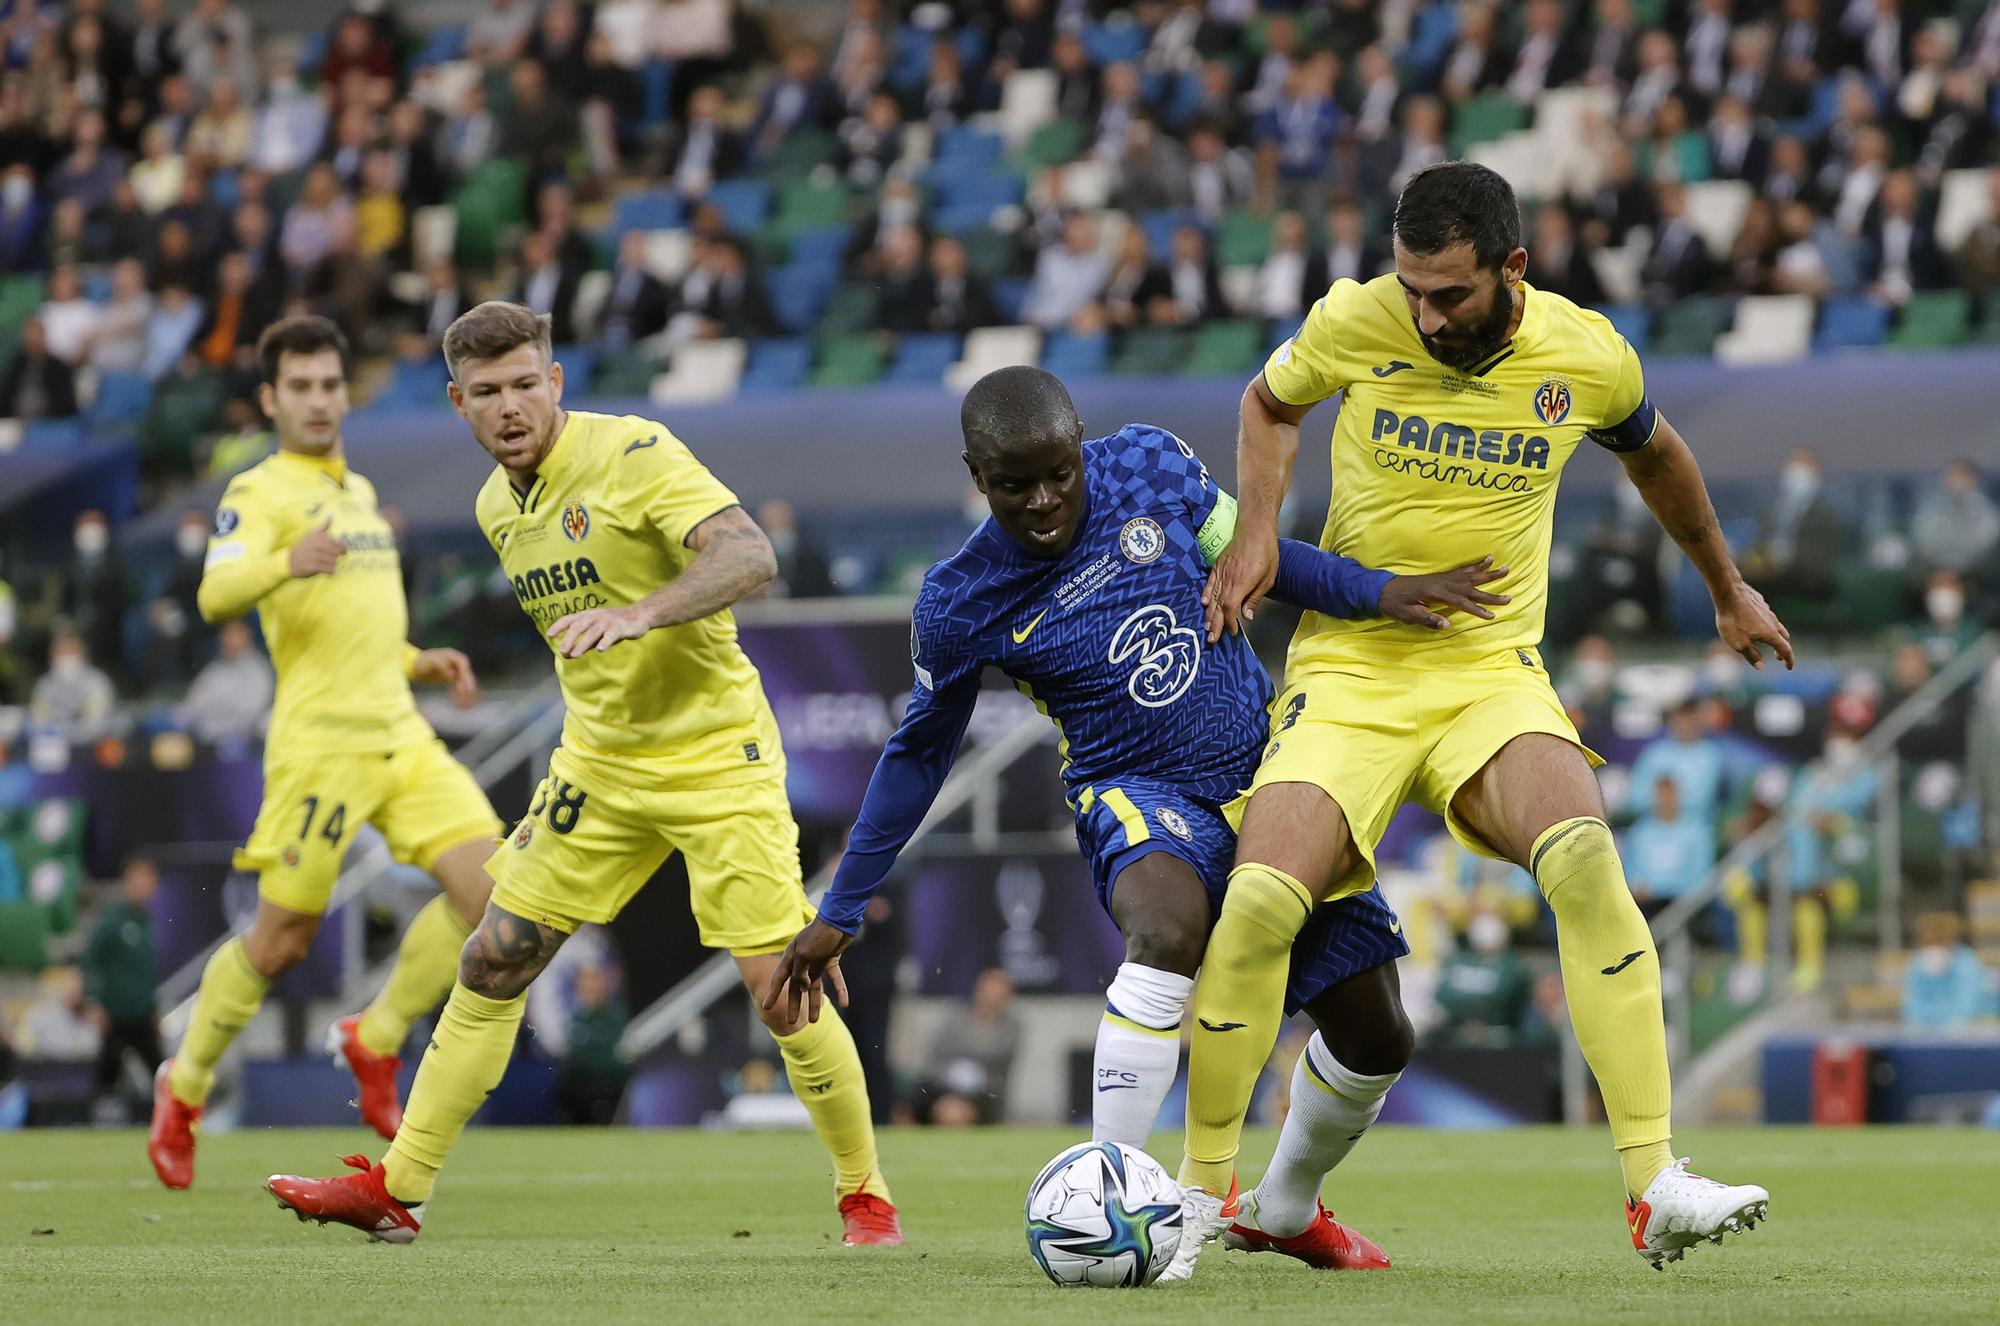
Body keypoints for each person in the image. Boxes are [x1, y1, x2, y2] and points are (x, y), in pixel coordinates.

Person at [765, 365, 1512, 1269]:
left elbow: (1256, 559)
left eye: (1058, 474)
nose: (1043, 501)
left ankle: (1283, 1206)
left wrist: (1377, 590)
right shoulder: (961, 600)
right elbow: (919, 753)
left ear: (1082, 446)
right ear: (976, 474)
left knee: (1377, 1032)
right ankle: (1112, 1199)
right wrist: (841, 907)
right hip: (1136, 791)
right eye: (1013, 486)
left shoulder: (1151, 466)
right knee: (1165, 929)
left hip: (1268, 773)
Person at [1186, 161, 1786, 1277]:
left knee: (1583, 860)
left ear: (1511, 267)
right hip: (1354, 668)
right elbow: (1268, 402)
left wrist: (1722, 583)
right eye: (1410, 289)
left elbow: (1654, 450)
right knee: (1261, 899)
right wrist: (1259, 526)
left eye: (1447, 295)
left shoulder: (1584, 355)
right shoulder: (1355, 319)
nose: (1422, 314)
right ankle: (1196, 1197)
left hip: (1486, 669)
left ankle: (1653, 1184)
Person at [266, 302, 898, 1248]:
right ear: (458, 402)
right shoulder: (492, 507)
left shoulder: (634, 450)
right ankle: (399, 1191)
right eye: (488, 393)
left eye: (527, 383)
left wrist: (645, 611)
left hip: (715, 754)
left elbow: (747, 553)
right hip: (600, 763)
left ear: (555, 381)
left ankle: (867, 1198)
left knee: (778, 986)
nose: (511, 406)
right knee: (493, 954)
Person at [148, 316, 505, 1190]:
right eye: (299, 386)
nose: (317, 400)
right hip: (319, 747)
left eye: (329, 384)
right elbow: (213, 593)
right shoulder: (260, 492)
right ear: (271, 399)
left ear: (346, 392)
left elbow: (364, 628)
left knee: (499, 899)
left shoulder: (359, 492)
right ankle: (184, 1085)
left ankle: (374, 1037)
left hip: (400, 731)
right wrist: (284, 561)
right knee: (281, 940)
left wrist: (421, 659)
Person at [86, 855, 163, 1104]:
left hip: (142, 1016)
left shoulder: (147, 921)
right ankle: (94, 1123)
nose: (145, 886)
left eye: (149, 880)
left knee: (161, 1073)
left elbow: (147, 973)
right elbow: (90, 960)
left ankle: (169, 1124)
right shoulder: (113, 920)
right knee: (107, 1078)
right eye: (140, 880)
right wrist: (93, 1000)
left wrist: (154, 1009)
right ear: (127, 882)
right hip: (116, 1016)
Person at [1621, 776, 1716, 915]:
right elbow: (1631, 870)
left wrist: (1659, 889)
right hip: (1645, 901)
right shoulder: (1641, 831)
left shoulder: (1697, 830)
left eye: (1670, 794)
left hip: (1680, 903)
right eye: (1661, 794)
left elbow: (1700, 877)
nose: (1665, 800)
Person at [1901, 912, 1994, 1031]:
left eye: (1938, 940)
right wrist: (1920, 1024)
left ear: (1950, 940)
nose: (1933, 946)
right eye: (1928, 942)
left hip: (1964, 1031)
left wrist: (1949, 1027)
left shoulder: (1967, 964)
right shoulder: (1917, 963)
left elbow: (1967, 1007)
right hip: (1925, 1032)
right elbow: (1912, 1006)